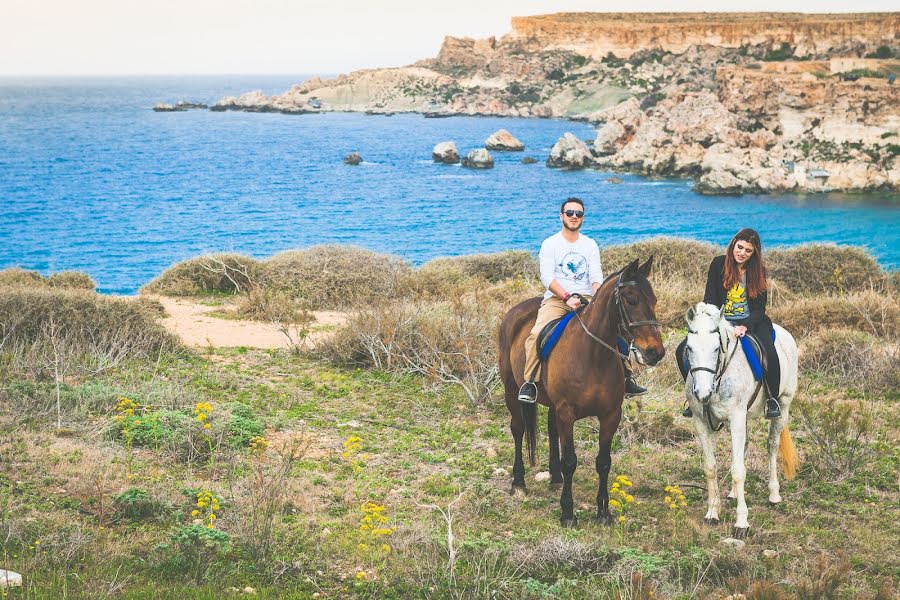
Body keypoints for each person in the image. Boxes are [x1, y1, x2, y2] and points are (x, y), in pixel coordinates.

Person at [518, 197, 646, 403]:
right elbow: (547, 277)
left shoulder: (590, 244)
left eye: (578, 214)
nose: (574, 217)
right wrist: (566, 297)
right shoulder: (550, 243)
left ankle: (626, 377)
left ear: (582, 218)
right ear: (562, 216)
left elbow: (596, 277)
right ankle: (530, 382)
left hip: (587, 298)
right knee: (536, 334)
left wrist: (597, 298)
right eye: (570, 213)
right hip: (558, 299)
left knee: (615, 330)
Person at [676, 228, 781, 419]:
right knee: (682, 350)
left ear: (754, 254)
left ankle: (772, 400)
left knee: (770, 355)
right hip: (721, 320)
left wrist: (745, 325)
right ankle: (693, 396)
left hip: (751, 322)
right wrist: (712, 321)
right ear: (733, 244)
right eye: (740, 247)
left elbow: (759, 308)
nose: (742, 253)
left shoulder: (758, 272)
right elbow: (710, 298)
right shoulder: (718, 264)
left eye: (748, 251)